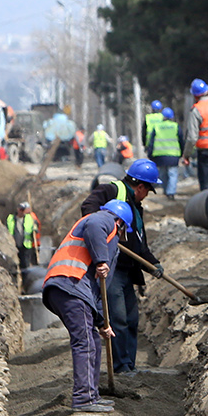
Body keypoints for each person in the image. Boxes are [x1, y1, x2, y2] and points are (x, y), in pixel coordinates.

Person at [41, 201, 128, 412]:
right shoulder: (104, 219)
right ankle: (83, 400)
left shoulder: (107, 232)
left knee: (93, 342)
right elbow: (95, 225)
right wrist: (101, 259)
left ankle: (92, 395)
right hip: (70, 285)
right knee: (85, 343)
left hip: (70, 290)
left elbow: (98, 292)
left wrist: (101, 323)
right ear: (120, 222)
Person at [81, 158, 164, 373]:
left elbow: (139, 244)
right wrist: (105, 237)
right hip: (112, 268)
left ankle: (129, 365)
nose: (147, 195)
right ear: (140, 187)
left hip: (129, 270)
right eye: (148, 190)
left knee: (131, 319)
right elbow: (88, 210)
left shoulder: (136, 208)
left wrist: (153, 264)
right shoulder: (111, 190)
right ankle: (120, 367)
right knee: (117, 319)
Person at [145, 105, 182, 198]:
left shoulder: (157, 127)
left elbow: (151, 142)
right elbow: (181, 140)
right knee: (173, 174)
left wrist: (150, 154)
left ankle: (166, 191)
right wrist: (182, 153)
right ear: (172, 117)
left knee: (163, 174)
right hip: (173, 155)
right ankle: (171, 192)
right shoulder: (176, 126)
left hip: (159, 155)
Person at [5, 200, 40, 272]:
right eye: (20, 209)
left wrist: (35, 228)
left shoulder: (29, 218)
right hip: (15, 245)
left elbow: (35, 226)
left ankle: (25, 278)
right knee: (18, 263)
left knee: (26, 263)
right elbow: (7, 229)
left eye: (23, 210)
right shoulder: (11, 218)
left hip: (26, 245)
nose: (21, 212)